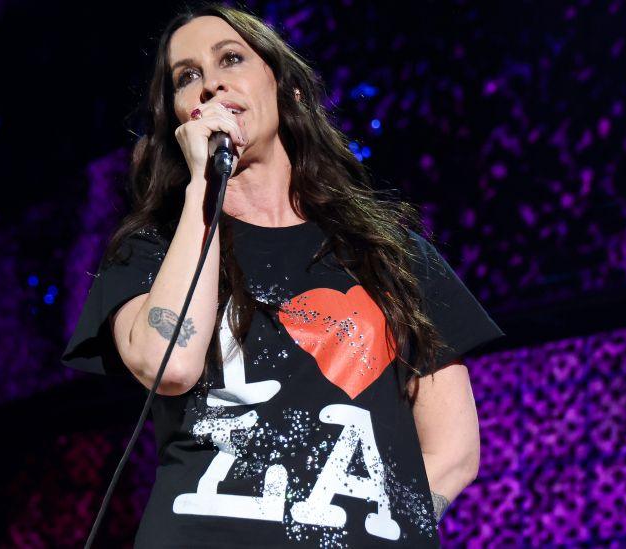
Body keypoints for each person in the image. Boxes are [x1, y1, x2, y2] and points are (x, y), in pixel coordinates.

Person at [61, 3, 505, 547]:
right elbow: (170, 363)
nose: (210, 86)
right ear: (177, 119)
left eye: (230, 59)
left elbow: (454, 449)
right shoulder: (148, 254)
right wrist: (203, 184)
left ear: (287, 90)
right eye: (188, 77)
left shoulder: (390, 253)